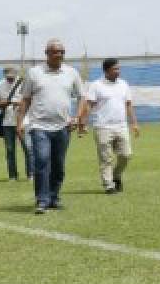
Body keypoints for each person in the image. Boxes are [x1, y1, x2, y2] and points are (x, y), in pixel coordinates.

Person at [16, 39, 85, 213]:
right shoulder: (34, 73)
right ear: (46, 53)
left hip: (63, 127)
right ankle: (42, 200)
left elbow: (82, 97)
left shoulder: (72, 73)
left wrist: (77, 117)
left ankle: (54, 197)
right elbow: (25, 99)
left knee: (58, 165)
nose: (59, 55)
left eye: (62, 51)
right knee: (41, 161)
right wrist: (19, 123)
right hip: (39, 126)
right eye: (55, 51)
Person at [84, 58, 140, 194]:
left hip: (121, 126)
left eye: (119, 69)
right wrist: (83, 122)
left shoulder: (124, 84)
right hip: (102, 127)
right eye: (115, 69)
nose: (118, 71)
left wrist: (134, 123)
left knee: (126, 155)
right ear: (106, 70)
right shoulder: (96, 85)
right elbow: (89, 105)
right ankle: (108, 185)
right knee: (106, 158)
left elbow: (128, 104)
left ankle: (116, 175)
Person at [0, 66, 30, 181]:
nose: (10, 79)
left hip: (24, 122)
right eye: (8, 77)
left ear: (16, 75)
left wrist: (17, 103)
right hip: (7, 123)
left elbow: (29, 101)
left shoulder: (24, 84)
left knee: (28, 148)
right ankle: (12, 176)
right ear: (4, 75)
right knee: (9, 150)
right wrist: (6, 103)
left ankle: (31, 174)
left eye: (12, 77)